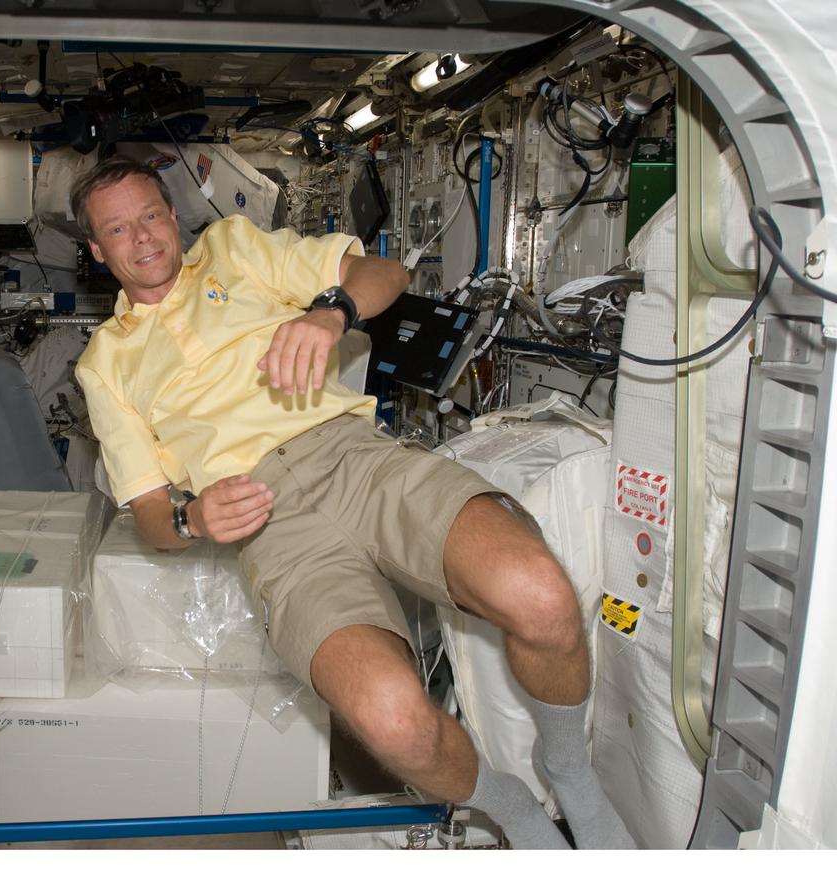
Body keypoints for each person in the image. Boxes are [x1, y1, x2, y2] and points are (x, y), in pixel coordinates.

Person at [71, 155, 634, 850]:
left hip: (353, 458)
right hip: (272, 526)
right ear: (98, 252)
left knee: (539, 594)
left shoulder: (235, 250)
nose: (144, 237)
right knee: (396, 720)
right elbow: (152, 516)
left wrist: (328, 314)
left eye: (152, 215)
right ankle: (511, 807)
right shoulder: (104, 362)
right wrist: (192, 518)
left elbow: (386, 275)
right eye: (119, 229)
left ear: (172, 215)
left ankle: (569, 770)